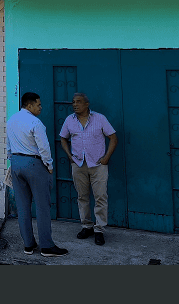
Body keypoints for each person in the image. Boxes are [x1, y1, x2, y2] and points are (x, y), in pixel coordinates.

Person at [7, 92, 68, 257]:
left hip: (16, 163)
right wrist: (49, 165)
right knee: (42, 207)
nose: (41, 107)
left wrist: (12, 160)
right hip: (34, 164)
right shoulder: (35, 122)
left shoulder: (11, 120)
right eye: (38, 105)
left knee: (23, 207)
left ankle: (28, 245)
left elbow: (8, 146)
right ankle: (46, 246)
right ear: (29, 105)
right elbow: (44, 147)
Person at [59, 92, 118, 246]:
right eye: (73, 102)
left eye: (78, 102)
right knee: (82, 197)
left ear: (86, 104)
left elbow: (113, 138)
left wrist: (106, 158)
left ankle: (99, 230)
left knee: (100, 197)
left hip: (98, 165)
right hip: (78, 165)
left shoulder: (99, 118)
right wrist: (69, 155)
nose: (74, 104)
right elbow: (63, 138)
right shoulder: (69, 120)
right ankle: (87, 226)